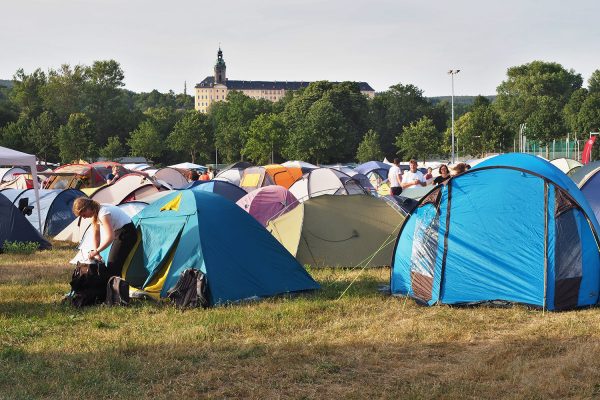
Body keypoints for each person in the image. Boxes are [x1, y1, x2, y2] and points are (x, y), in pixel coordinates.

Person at [72, 198, 137, 279]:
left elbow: (110, 237)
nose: (84, 218)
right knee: (112, 264)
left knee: (113, 265)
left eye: (83, 215)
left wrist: (96, 251)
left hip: (127, 233)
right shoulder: (95, 212)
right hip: (120, 232)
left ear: (87, 208)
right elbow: (96, 235)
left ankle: (117, 288)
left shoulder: (103, 213)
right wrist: (96, 253)